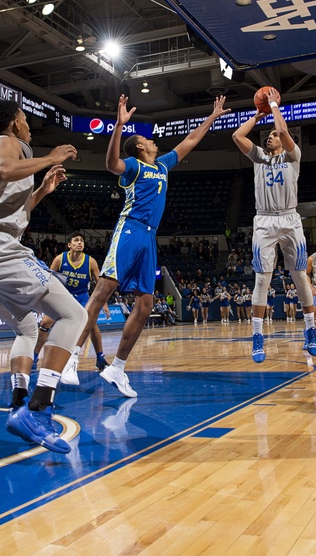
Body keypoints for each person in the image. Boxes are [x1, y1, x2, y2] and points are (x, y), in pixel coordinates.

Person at [73, 95, 229, 399]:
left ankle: (117, 367)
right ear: (140, 147)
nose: (153, 140)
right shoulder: (133, 166)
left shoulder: (164, 165)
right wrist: (118, 126)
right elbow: (110, 163)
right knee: (103, 291)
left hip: (149, 236)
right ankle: (72, 356)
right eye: (147, 139)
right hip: (129, 229)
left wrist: (212, 117)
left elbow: (190, 141)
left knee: (144, 306)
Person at [0, 100, 84, 454]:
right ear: (15, 123)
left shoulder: (14, 157)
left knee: (28, 328)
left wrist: (42, 190)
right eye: (26, 120)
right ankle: (41, 410)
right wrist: (50, 157)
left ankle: (18, 404)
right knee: (74, 314)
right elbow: (3, 168)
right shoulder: (8, 143)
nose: (29, 127)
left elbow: (11, 206)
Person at [232, 87, 316, 363]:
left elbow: (283, 133)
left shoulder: (293, 157)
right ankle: (257, 336)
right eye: (267, 136)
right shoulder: (258, 158)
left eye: (272, 135)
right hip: (265, 220)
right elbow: (237, 136)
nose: (270, 137)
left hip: (290, 218)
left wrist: (275, 107)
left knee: (299, 275)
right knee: (262, 278)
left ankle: (311, 329)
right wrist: (259, 115)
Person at [51, 231, 110, 386]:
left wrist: (103, 303)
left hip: (83, 297)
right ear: (69, 244)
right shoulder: (59, 259)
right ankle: (36, 357)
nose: (80, 243)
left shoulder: (90, 262)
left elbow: (100, 284)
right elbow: (49, 279)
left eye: (82, 241)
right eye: (76, 240)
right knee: (45, 323)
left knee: (92, 325)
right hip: (64, 296)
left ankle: (100, 358)